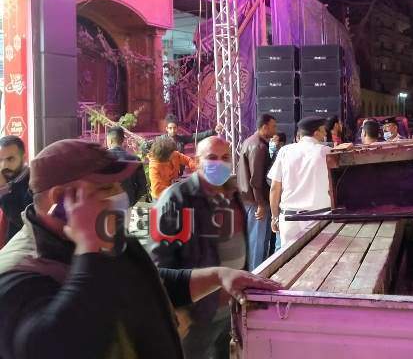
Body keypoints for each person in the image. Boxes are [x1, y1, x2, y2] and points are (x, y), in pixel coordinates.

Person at [0, 139, 280, 359]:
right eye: (105, 189)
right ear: (61, 200)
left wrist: (218, 276)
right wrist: (90, 251)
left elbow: (147, 281)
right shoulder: (18, 273)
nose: (121, 196)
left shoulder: (106, 240)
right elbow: (57, 347)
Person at [152, 136, 248, 359]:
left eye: (225, 157)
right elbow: (159, 259)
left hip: (229, 306)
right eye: (211, 157)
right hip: (195, 312)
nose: (219, 163)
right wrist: (175, 308)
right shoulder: (176, 198)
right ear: (196, 161)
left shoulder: (232, 193)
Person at [269, 116, 332, 249]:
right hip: (318, 217)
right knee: (319, 258)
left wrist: (274, 217)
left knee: (289, 258)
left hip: (289, 219)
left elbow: (275, 188)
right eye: (323, 130)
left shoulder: (285, 151)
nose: (325, 134)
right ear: (316, 133)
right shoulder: (326, 152)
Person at [237, 114, 277, 271]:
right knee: (258, 244)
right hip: (256, 201)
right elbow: (256, 179)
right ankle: (256, 276)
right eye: (273, 127)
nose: (275, 130)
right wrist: (260, 203)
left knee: (256, 241)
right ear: (264, 127)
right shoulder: (258, 147)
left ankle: (255, 273)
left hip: (250, 200)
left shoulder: (250, 142)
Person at [0, 136, 32, 245]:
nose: (4, 165)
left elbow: (24, 223)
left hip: (23, 249)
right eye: (0, 160)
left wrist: (3, 190)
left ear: (24, 158)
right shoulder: (6, 179)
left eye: (10, 159)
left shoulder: (32, 182)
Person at [107, 126, 149, 205]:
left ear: (110, 140)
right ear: (123, 140)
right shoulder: (135, 159)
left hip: (106, 204)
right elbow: (143, 186)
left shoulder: (101, 159)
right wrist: (132, 201)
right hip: (127, 203)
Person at [144, 114, 220, 155]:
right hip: (166, 173)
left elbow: (196, 136)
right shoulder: (161, 139)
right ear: (166, 129)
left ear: (177, 128)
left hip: (179, 172)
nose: (172, 130)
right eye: (170, 128)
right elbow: (146, 147)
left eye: (174, 128)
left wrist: (213, 131)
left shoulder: (181, 139)